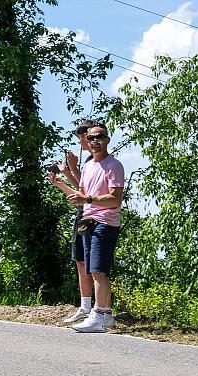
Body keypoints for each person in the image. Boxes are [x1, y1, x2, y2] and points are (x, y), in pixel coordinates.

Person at [66, 124, 124, 333]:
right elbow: (81, 193)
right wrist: (64, 184)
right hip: (88, 222)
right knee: (93, 270)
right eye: (90, 139)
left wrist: (88, 198)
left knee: (99, 271)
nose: (94, 142)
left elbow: (115, 199)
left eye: (99, 137)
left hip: (105, 223)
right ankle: (105, 315)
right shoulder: (89, 166)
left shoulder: (114, 165)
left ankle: (99, 316)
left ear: (107, 140)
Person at [48, 120, 99, 324]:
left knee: (91, 263)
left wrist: (69, 171)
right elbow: (81, 187)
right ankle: (85, 306)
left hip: (90, 213)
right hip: (83, 212)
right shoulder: (88, 160)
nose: (80, 141)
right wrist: (66, 173)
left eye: (82, 136)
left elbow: (85, 190)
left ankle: (96, 308)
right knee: (80, 260)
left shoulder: (95, 161)